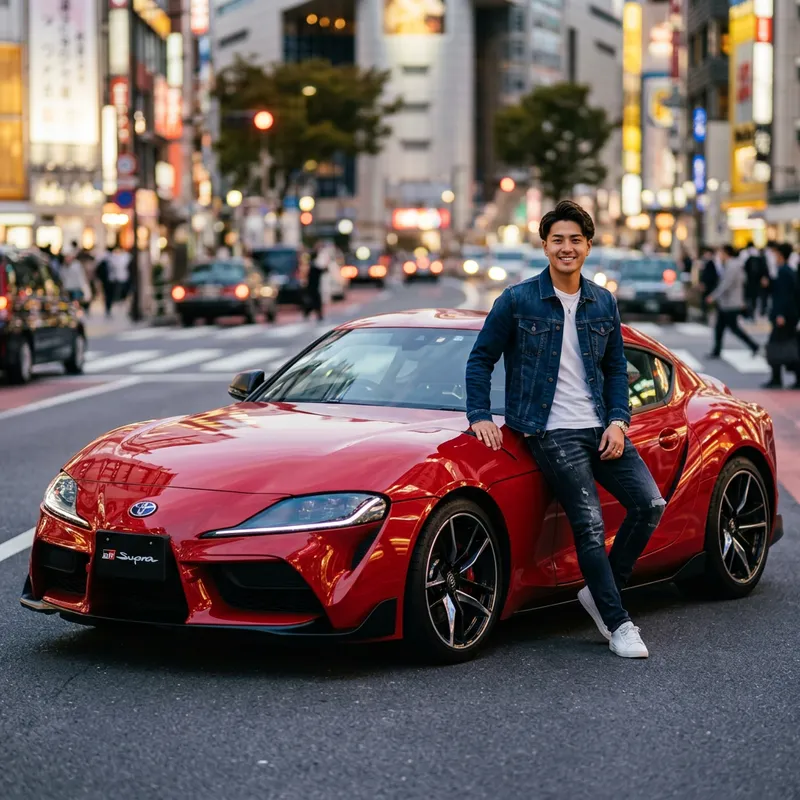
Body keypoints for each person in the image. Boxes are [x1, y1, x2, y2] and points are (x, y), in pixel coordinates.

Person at [465, 200, 665, 659]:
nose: (566, 247)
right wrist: (479, 415)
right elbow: (481, 359)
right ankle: (618, 623)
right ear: (544, 246)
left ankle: (602, 590)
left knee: (649, 504)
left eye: (575, 239)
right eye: (558, 239)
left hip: (598, 426)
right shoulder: (517, 301)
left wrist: (618, 420)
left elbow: (616, 369)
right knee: (589, 524)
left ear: (588, 246)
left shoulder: (603, 301)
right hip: (549, 430)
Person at [705, 245, 759, 358]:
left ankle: (754, 345)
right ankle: (716, 351)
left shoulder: (732, 266)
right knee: (720, 328)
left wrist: (713, 296)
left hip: (731, 303)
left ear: (726, 253)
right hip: (727, 302)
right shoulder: (732, 265)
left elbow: (726, 284)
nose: (719, 256)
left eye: (721, 253)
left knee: (734, 329)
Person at [763, 242, 800, 389]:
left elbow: (784, 296)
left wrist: (780, 314)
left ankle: (778, 378)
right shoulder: (787, 270)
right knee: (786, 345)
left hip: (784, 316)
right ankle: (778, 377)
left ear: (780, 255)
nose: (774, 257)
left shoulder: (784, 272)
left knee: (780, 346)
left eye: (776, 254)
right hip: (789, 315)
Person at [304, 242, 329, 321]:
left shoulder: (313, 265)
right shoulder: (314, 266)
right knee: (315, 301)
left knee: (312, 301)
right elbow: (324, 270)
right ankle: (317, 315)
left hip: (313, 286)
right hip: (313, 286)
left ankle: (311, 313)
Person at [698, 246, 720, 324]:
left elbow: (710, 276)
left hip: (709, 286)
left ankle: (706, 317)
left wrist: (704, 284)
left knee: (707, 301)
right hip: (707, 285)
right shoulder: (706, 263)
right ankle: (705, 316)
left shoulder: (711, 263)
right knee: (705, 301)